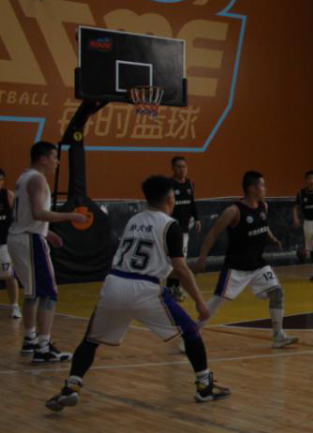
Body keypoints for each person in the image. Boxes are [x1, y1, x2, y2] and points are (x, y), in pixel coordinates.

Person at [44, 176, 230, 412]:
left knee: (90, 340)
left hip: (114, 283)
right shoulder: (170, 225)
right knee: (191, 332)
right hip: (145, 287)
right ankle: (204, 386)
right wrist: (201, 303)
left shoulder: (133, 220)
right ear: (170, 199)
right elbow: (181, 270)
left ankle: (72, 386)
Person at [195, 171, 298, 348]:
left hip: (257, 264)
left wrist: (272, 238)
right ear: (252, 189)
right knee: (216, 302)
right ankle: (192, 335)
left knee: (277, 292)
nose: (265, 188)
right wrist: (202, 259)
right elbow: (213, 233)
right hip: (236, 267)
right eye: (262, 185)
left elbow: (264, 226)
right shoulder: (233, 211)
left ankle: (278, 336)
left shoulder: (263, 206)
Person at [8, 142, 88, 362]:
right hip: (29, 239)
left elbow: (26, 214)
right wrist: (71, 216)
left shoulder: (24, 177)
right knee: (49, 293)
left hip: (20, 236)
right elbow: (38, 213)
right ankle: (43, 348)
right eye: (54, 157)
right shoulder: (37, 179)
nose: (57, 162)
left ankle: (30, 339)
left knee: (33, 293)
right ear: (43, 159)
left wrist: (47, 232)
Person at [166, 156, 201, 301]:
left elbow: (192, 202)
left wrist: (197, 218)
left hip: (185, 230)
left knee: (181, 260)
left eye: (184, 166)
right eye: (179, 167)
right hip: (171, 229)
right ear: (173, 168)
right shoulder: (168, 184)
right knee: (173, 261)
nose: (182, 169)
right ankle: (170, 289)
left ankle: (174, 288)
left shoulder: (189, 183)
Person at [0, 168, 20, 319]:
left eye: (1, 180)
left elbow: (18, 218)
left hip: (4, 242)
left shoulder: (8, 195)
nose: (0, 183)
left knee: (9, 275)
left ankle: (15, 306)